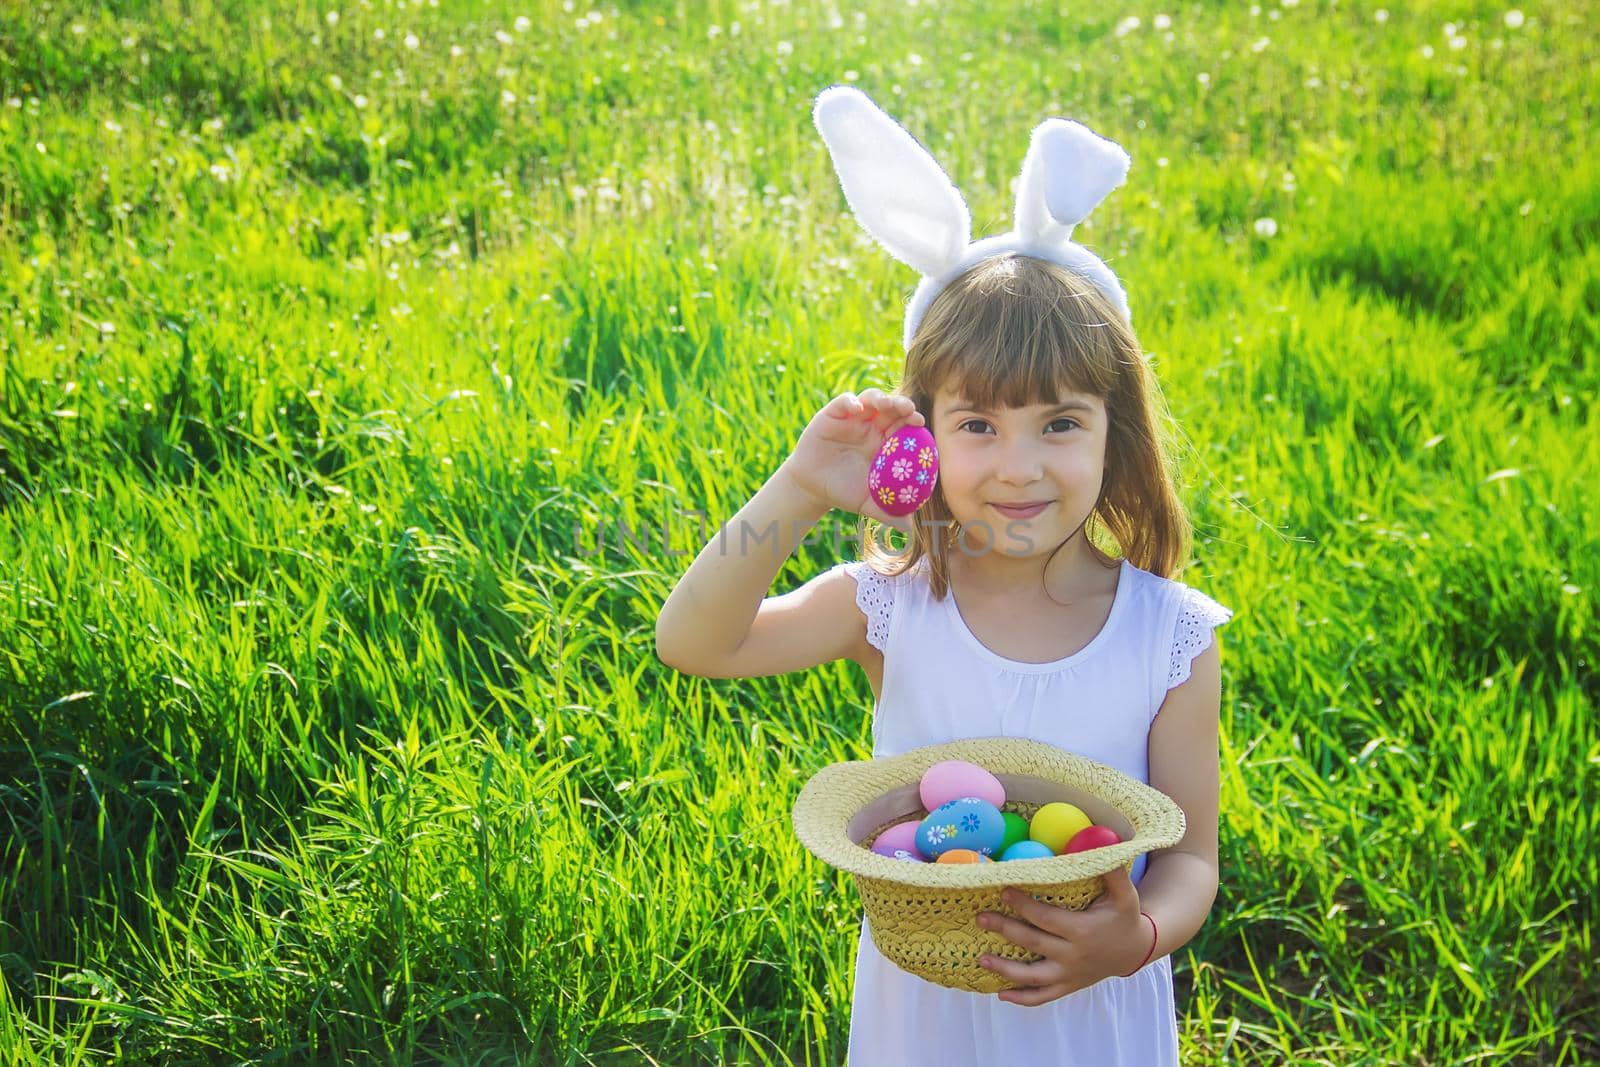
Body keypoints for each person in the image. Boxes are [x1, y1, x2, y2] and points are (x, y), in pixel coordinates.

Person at [655, 86, 1232, 1065]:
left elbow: (1191, 858)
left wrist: (1132, 936)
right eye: (978, 425)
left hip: (1092, 1008)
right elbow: (695, 642)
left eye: (1059, 423)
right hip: (925, 1014)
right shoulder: (890, 603)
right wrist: (798, 488)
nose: (1018, 466)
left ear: (1112, 432)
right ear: (921, 436)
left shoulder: (1166, 634)